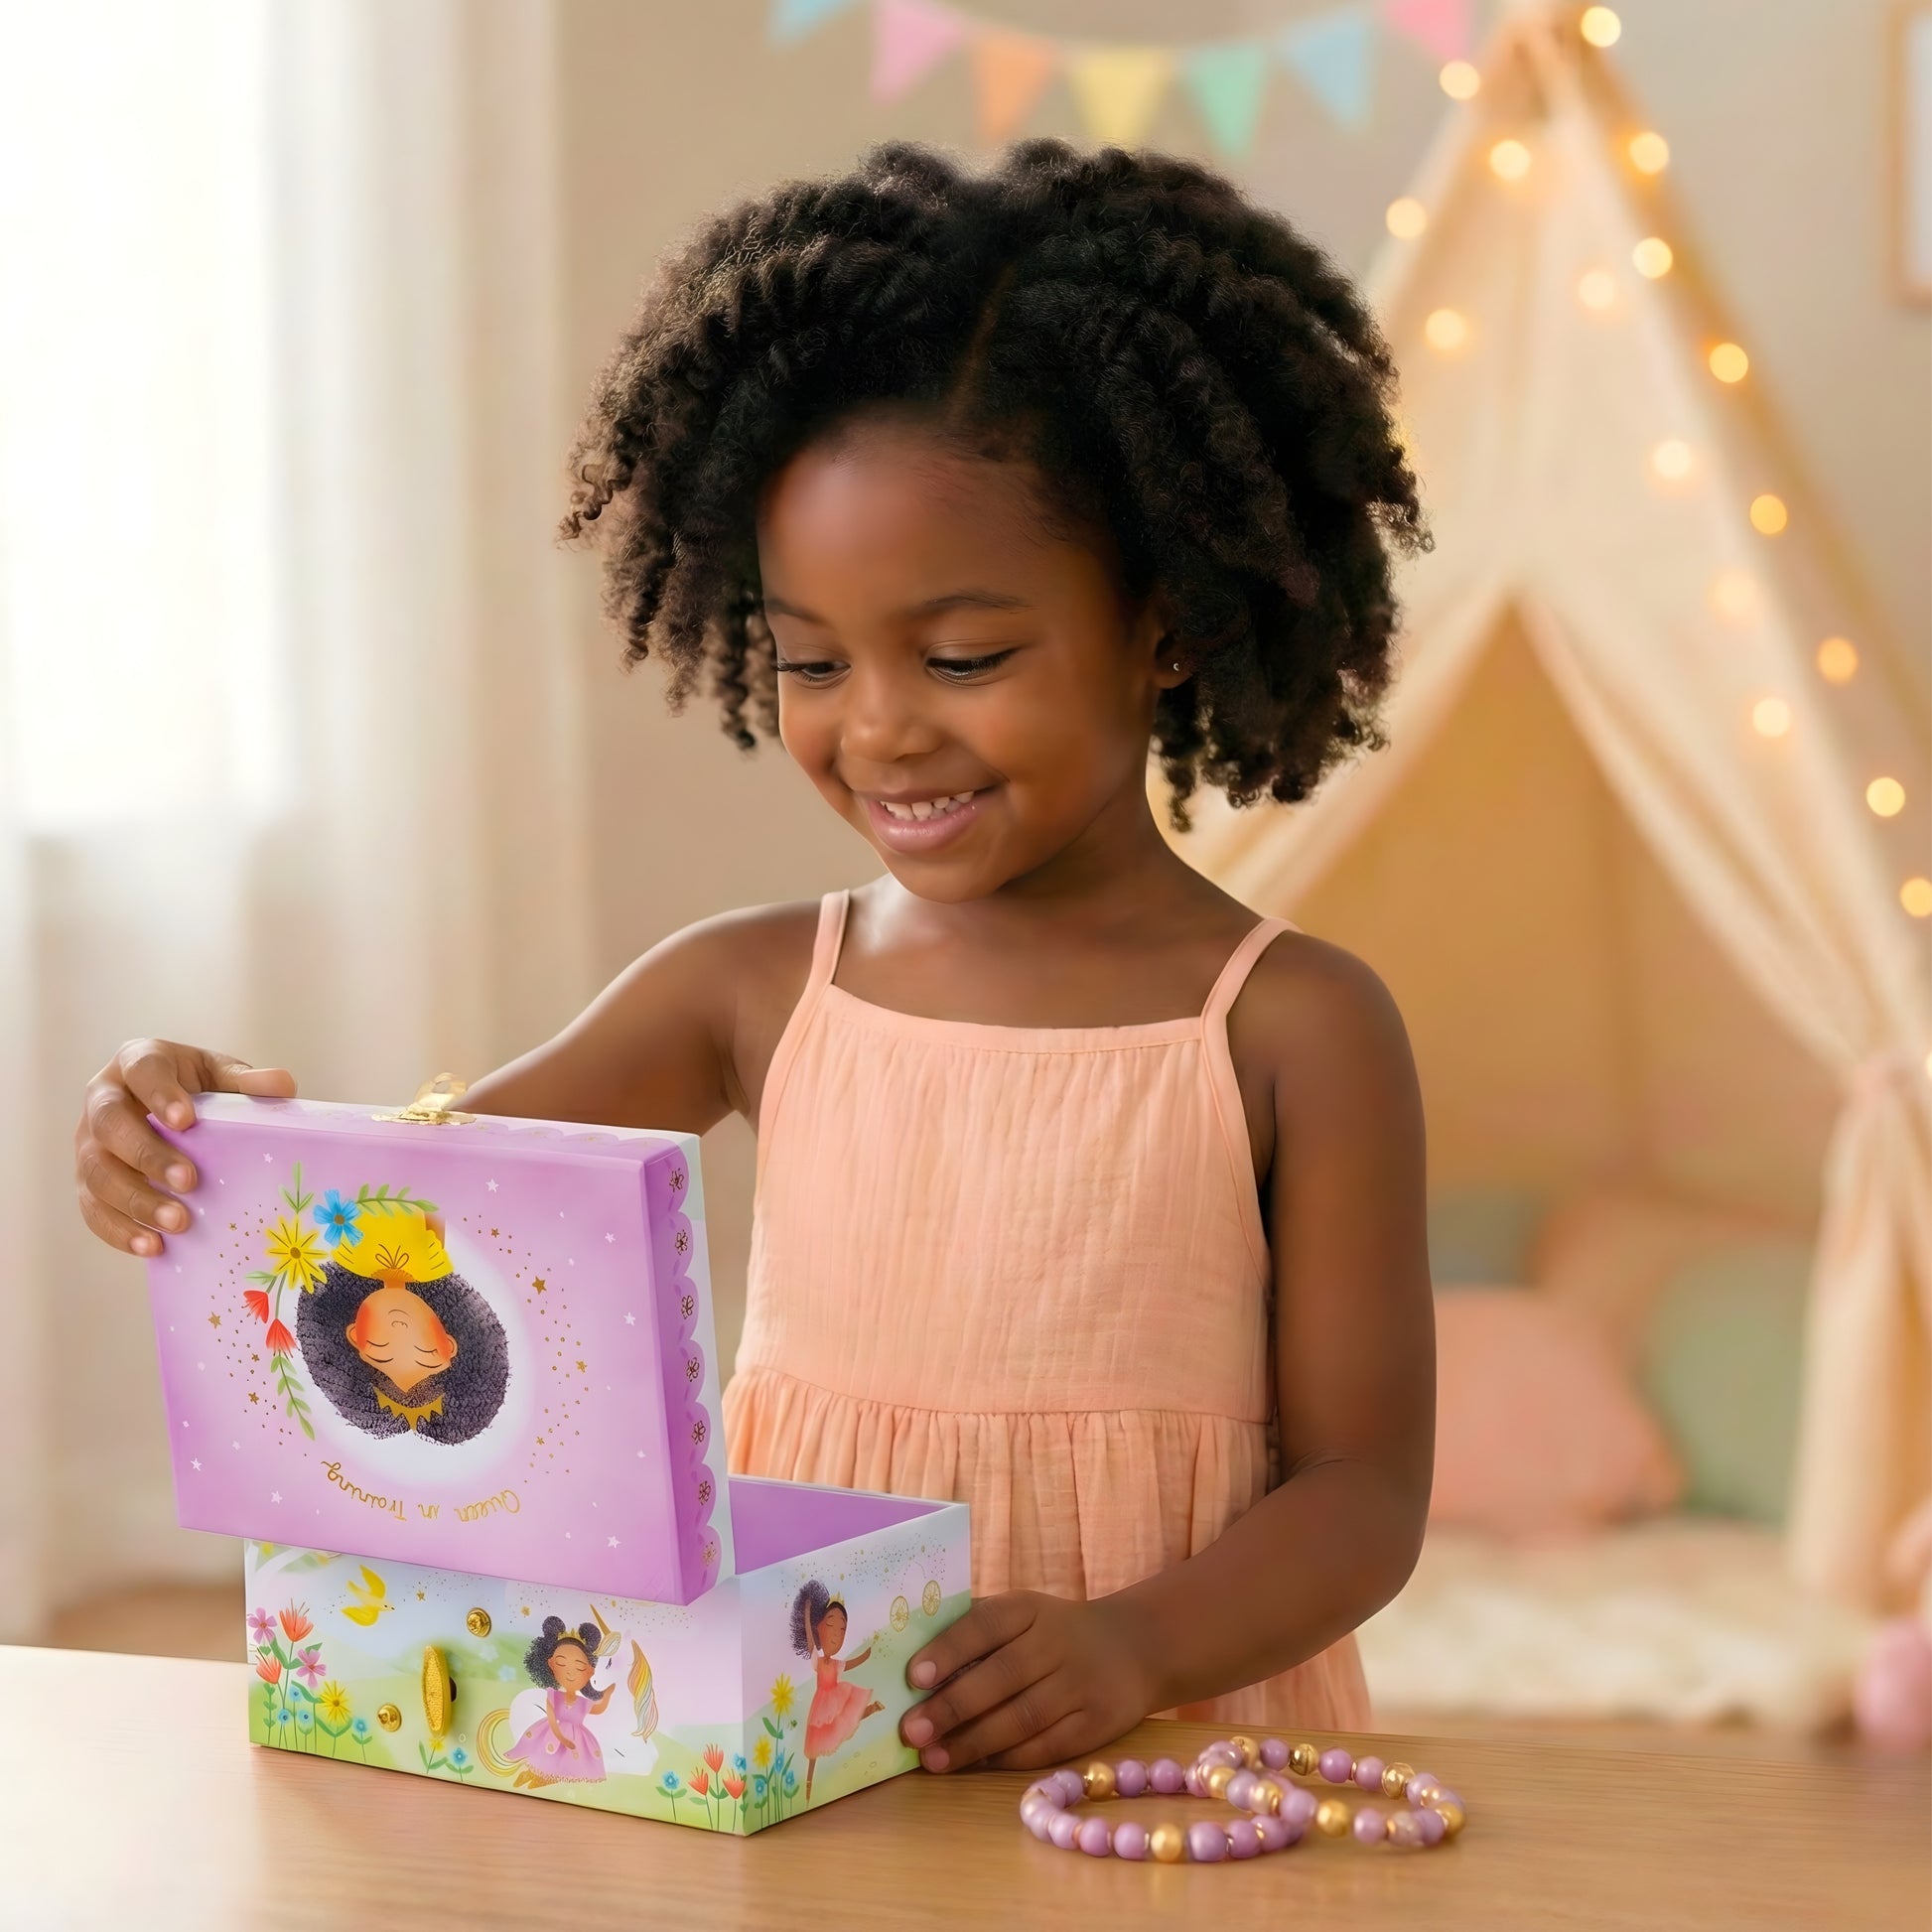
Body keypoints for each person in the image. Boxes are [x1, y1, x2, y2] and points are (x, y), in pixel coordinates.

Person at [75, 141, 1434, 1772]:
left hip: (1163, 1759)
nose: (879, 727)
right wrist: (198, 1135)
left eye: (964, 655)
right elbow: (411, 1223)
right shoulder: (747, 989)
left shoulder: (1294, 1025)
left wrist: (1138, 1642)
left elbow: (1363, 1493)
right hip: (804, 1750)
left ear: (1166, 624)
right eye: (810, 662)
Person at [792, 1581, 885, 1801]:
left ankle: (871, 1709)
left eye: (841, 1630)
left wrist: (868, 1653)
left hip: (836, 1695)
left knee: (848, 1717)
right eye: (830, 1626)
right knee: (814, 1748)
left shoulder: (836, 1664)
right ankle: (808, 1786)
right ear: (820, 1628)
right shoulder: (817, 1661)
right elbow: (810, 1641)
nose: (835, 1635)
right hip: (821, 1704)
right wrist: (807, 1615)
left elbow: (853, 1662)